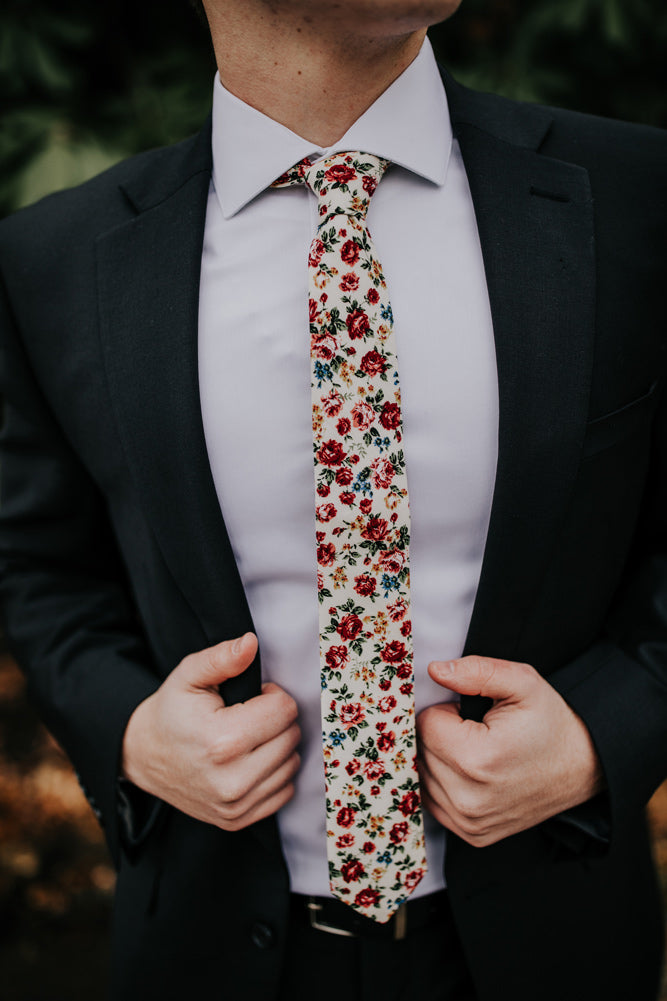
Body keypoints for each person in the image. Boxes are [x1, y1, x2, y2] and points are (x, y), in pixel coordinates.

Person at [0, 1, 665, 999]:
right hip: (211, 951)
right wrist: (133, 728)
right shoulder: (53, 258)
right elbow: (39, 568)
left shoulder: (637, 193)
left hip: (552, 943)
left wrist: (600, 733)